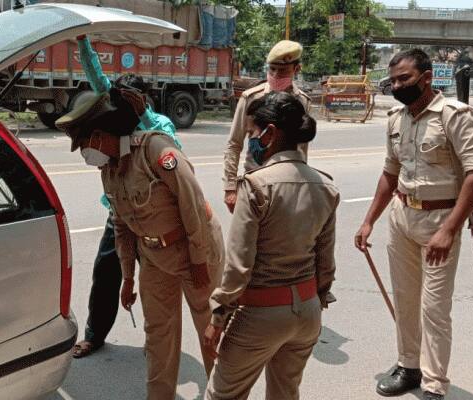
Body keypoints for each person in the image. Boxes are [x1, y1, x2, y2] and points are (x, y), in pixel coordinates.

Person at [56, 90, 225, 400]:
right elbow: (121, 225)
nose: (84, 155)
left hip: (194, 249)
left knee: (210, 329)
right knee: (158, 334)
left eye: (84, 146)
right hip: (155, 257)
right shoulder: (108, 169)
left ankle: (225, 395)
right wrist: (128, 277)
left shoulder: (155, 149)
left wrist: (199, 260)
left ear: (99, 135)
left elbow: (193, 205)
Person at [354, 49, 473, 400]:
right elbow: (390, 172)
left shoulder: (454, 116)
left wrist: (449, 229)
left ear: (427, 78)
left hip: (440, 220)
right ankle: (408, 366)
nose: (397, 86)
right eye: (394, 80)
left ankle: (434, 385)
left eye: (405, 79)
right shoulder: (397, 118)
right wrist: (369, 220)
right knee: (405, 300)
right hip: (402, 217)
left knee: (434, 309)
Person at [203, 92, 339, 400]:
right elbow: (325, 262)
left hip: (261, 313)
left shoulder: (255, 185)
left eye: (252, 133)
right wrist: (316, 302)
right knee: (285, 393)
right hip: (307, 312)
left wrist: (218, 318)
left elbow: (238, 267)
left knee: (223, 394)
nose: (251, 140)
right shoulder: (325, 186)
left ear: (271, 133)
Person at [71, 34, 181, 358]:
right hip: (119, 212)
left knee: (153, 282)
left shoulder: (159, 125)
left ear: (144, 99)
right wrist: (83, 43)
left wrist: (139, 112)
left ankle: (156, 339)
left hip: (153, 216)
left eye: (132, 99)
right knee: (106, 272)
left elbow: (171, 152)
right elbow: (98, 79)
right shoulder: (116, 123)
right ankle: (94, 335)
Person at [222, 40, 311, 214]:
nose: (276, 75)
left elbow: (302, 149)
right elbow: (234, 144)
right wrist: (230, 188)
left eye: (283, 70)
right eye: (272, 69)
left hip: (287, 185)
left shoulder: (302, 102)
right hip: (255, 183)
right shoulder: (251, 98)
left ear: (296, 69)